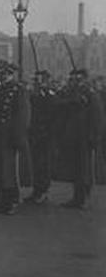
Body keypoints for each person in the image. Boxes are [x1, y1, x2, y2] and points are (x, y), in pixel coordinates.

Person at [57, 69, 104, 209]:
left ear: (83, 79)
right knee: (77, 169)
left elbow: (97, 117)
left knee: (84, 169)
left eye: (77, 80)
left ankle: (82, 198)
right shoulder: (76, 94)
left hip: (85, 138)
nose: (74, 82)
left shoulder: (90, 94)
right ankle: (77, 197)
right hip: (75, 137)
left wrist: (94, 136)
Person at [0, 60, 30, 215]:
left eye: (2, 73)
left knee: (11, 170)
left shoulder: (18, 90)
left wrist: (18, 136)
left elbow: (23, 115)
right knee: (2, 169)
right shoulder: (1, 90)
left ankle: (13, 200)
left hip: (12, 136)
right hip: (1, 135)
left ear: (9, 74)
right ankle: (5, 198)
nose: (0, 76)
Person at [25, 70, 56, 204]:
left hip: (45, 135)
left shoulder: (49, 95)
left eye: (38, 81)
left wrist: (47, 131)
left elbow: (53, 116)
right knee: (36, 164)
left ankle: (43, 191)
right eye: (35, 81)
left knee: (44, 164)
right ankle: (37, 190)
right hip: (35, 134)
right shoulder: (35, 95)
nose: (35, 83)